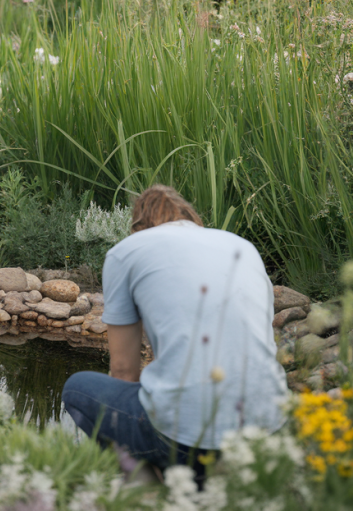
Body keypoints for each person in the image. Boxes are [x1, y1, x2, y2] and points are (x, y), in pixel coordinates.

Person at [61, 184, 288, 482]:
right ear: (190, 216)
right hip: (270, 429)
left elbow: (123, 371)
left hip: (186, 444)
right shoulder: (241, 246)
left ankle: (148, 490)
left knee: (78, 389)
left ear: (137, 224)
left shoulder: (126, 252)